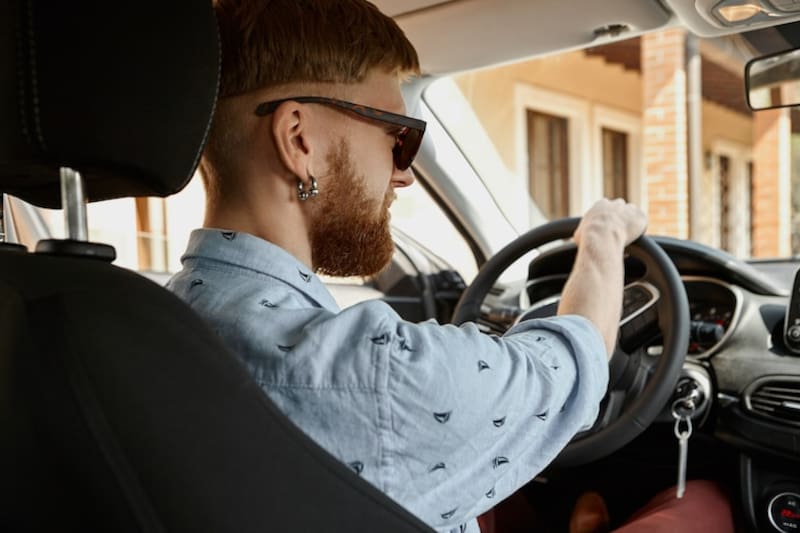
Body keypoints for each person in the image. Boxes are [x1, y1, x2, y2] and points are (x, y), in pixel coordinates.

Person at [166, 1, 733, 532]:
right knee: (702, 504)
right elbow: (572, 364)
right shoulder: (372, 375)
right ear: (299, 140)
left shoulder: (163, 316)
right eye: (399, 138)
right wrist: (604, 239)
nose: (404, 173)